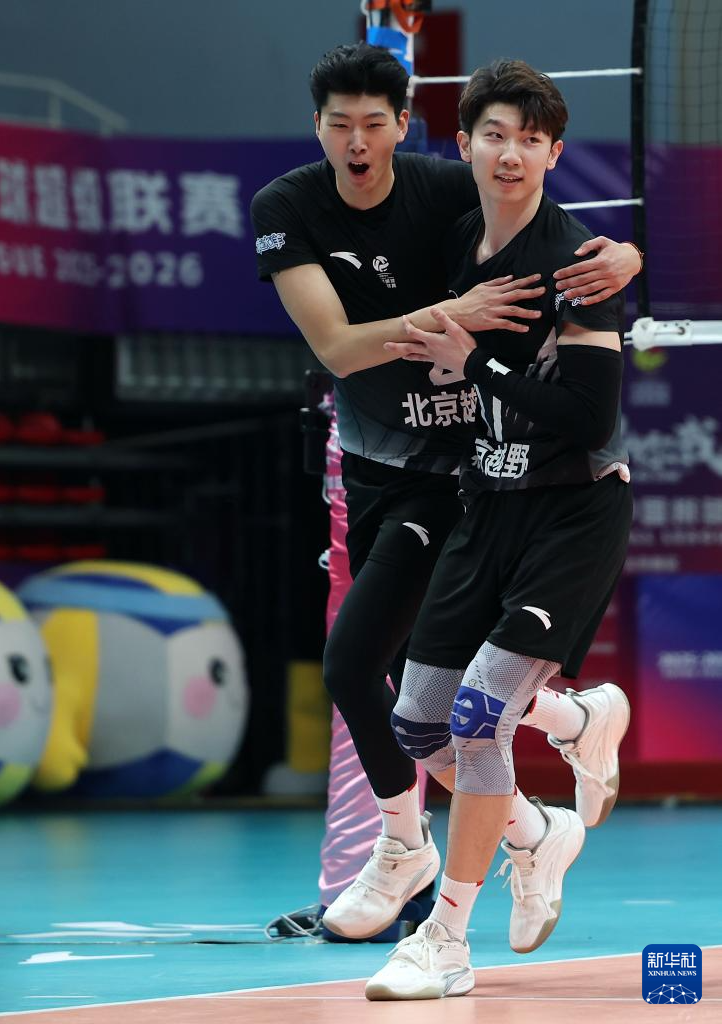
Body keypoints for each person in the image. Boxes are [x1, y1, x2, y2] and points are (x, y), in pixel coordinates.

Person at [251, 43, 638, 945]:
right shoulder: (289, 206)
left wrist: (627, 254)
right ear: (318, 128)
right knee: (425, 707)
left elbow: (548, 218)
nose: (357, 142)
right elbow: (338, 348)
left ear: (405, 128)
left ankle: (418, 873)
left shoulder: (448, 185)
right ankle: (550, 786)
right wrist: (452, 320)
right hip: (376, 469)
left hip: (463, 475)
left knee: (367, 670)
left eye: (373, 124)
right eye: (339, 125)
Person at [364, 58, 633, 1000]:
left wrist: (475, 362)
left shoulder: (581, 265)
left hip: (573, 510)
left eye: (531, 138)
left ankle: (444, 940)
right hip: (487, 506)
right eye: (494, 135)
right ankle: (557, 776)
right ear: (465, 144)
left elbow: (589, 419)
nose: (511, 153)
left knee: (479, 718)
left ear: (555, 154)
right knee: (418, 723)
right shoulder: (452, 240)